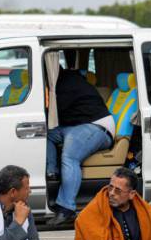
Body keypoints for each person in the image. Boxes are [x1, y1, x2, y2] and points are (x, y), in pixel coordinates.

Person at [46, 49, 115, 226]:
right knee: (46, 134)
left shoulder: (66, 83)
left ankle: (66, 209)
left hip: (96, 125)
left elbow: (54, 112)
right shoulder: (59, 81)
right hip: (75, 125)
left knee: (70, 156)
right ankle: (52, 172)